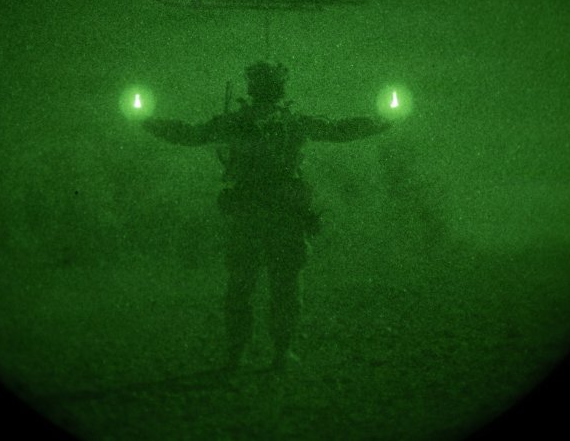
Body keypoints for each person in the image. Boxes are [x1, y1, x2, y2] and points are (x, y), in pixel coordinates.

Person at [142, 61, 390, 371]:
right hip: (282, 216)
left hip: (253, 214)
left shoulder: (238, 122)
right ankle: (277, 352)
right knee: (281, 287)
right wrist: (381, 122)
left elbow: (192, 134)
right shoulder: (292, 122)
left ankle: (240, 353)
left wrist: (149, 122)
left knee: (245, 287)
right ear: (280, 88)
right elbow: (338, 130)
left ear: (251, 88)